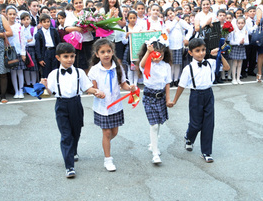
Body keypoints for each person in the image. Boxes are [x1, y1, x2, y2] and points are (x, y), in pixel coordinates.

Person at [41, 42, 104, 178]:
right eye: (65, 57)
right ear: (58, 58)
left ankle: (73, 151)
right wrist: (43, 87)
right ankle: (69, 166)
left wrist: (96, 91)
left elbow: (87, 88)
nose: (69, 59)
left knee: (76, 131)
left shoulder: (79, 72)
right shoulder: (53, 74)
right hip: (61, 105)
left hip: (76, 103)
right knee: (66, 135)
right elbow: (48, 92)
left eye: (72, 56)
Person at [88, 38, 136, 172]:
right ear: (97, 54)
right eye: (102, 52)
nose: (106, 54)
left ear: (113, 52)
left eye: (108, 51)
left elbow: (123, 84)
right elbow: (92, 88)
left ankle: (106, 142)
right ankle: (108, 159)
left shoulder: (118, 67)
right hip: (102, 107)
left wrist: (130, 87)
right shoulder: (94, 70)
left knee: (114, 132)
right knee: (107, 132)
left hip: (116, 106)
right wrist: (96, 92)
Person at [172, 38, 216, 163]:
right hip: (196, 96)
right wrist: (174, 101)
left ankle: (206, 152)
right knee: (196, 124)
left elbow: (226, 67)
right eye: (197, 51)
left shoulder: (210, 63)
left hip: (209, 94)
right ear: (190, 53)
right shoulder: (188, 68)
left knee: (209, 124)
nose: (201, 53)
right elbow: (181, 86)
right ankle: (189, 137)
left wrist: (219, 55)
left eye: (203, 50)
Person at [138, 36, 173, 164]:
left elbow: (167, 83)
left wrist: (168, 99)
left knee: (158, 123)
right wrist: (148, 52)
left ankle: (153, 143)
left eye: (162, 54)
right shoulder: (147, 64)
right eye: (156, 54)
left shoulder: (166, 66)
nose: (159, 57)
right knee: (153, 125)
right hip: (149, 96)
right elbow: (141, 64)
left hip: (161, 96)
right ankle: (155, 153)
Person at [165, 7, 193, 87]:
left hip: (179, 45)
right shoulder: (167, 23)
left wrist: (187, 38)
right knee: (171, 64)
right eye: (168, 15)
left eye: (171, 13)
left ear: (174, 12)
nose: (170, 16)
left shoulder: (180, 21)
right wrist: (175, 21)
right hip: (170, 46)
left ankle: (176, 79)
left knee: (177, 64)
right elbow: (168, 30)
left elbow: (190, 28)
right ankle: (170, 80)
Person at [65, 0, 95, 74]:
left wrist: (88, 28)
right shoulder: (70, 15)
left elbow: (94, 28)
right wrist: (77, 29)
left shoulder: (88, 14)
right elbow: (66, 28)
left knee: (89, 64)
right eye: (76, 3)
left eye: (80, 2)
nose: (78, 4)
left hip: (88, 42)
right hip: (76, 44)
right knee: (78, 64)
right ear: (73, 4)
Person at [6, 5, 26, 98]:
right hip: (10, 52)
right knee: (13, 72)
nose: (12, 16)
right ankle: (16, 91)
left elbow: (22, 40)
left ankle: (21, 91)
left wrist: (23, 53)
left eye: (14, 14)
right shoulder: (4, 27)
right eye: (10, 14)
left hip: (18, 51)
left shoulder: (19, 26)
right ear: (6, 15)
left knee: (20, 72)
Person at [35, 13, 60, 78]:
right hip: (46, 52)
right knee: (46, 70)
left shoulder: (54, 31)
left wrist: (59, 53)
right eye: (44, 22)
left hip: (54, 51)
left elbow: (58, 42)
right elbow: (38, 48)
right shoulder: (39, 34)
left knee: (55, 69)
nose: (46, 23)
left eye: (48, 22)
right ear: (40, 23)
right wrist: (40, 59)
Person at [122, 10, 144, 86]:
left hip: (137, 48)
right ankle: (131, 83)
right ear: (128, 18)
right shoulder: (125, 28)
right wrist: (126, 36)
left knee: (136, 67)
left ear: (136, 18)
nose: (132, 20)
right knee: (129, 66)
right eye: (130, 18)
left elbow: (142, 37)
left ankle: (135, 83)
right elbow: (124, 42)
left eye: (134, 18)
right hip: (129, 49)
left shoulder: (139, 27)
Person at [20, 12, 39, 88]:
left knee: (33, 68)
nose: (26, 21)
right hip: (24, 50)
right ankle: (28, 84)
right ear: (21, 21)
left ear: (30, 20)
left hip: (32, 50)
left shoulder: (33, 29)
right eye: (24, 19)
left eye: (27, 19)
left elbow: (34, 41)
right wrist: (27, 41)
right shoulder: (20, 29)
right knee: (26, 68)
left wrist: (26, 42)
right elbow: (21, 41)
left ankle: (34, 84)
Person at [229, 16, 249, 84]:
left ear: (244, 23)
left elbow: (247, 42)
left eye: (242, 23)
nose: (240, 24)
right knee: (234, 63)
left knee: (240, 64)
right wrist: (238, 42)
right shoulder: (233, 32)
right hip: (235, 47)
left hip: (242, 47)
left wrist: (243, 42)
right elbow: (231, 42)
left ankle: (238, 78)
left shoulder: (245, 32)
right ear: (236, 23)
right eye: (239, 23)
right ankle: (233, 78)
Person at [242, 6, 257, 77]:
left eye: (254, 11)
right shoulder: (247, 21)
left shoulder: (256, 20)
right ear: (248, 13)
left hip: (255, 38)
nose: (252, 13)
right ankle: (244, 70)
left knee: (253, 55)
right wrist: (256, 25)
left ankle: (251, 70)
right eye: (250, 11)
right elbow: (250, 31)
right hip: (249, 38)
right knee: (247, 55)